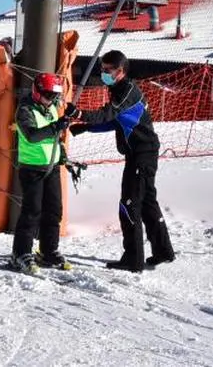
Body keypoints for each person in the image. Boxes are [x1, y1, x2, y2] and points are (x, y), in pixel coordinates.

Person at [64, 50, 175, 272]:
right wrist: (85, 128)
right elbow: (116, 121)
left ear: (120, 72)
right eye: (101, 69)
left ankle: (133, 259)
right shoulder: (118, 89)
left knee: (129, 204)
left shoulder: (126, 91)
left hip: (141, 154)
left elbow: (109, 113)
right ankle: (163, 251)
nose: (103, 73)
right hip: (142, 152)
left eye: (107, 70)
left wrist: (80, 114)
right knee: (147, 202)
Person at [7, 72, 72, 275]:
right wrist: (55, 126)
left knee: (54, 211)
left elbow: (56, 139)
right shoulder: (25, 109)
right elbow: (32, 135)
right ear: (36, 91)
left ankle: (48, 250)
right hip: (32, 168)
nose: (50, 99)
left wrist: (62, 156)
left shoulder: (51, 107)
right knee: (31, 211)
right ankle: (20, 253)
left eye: (54, 96)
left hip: (51, 167)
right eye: (47, 95)